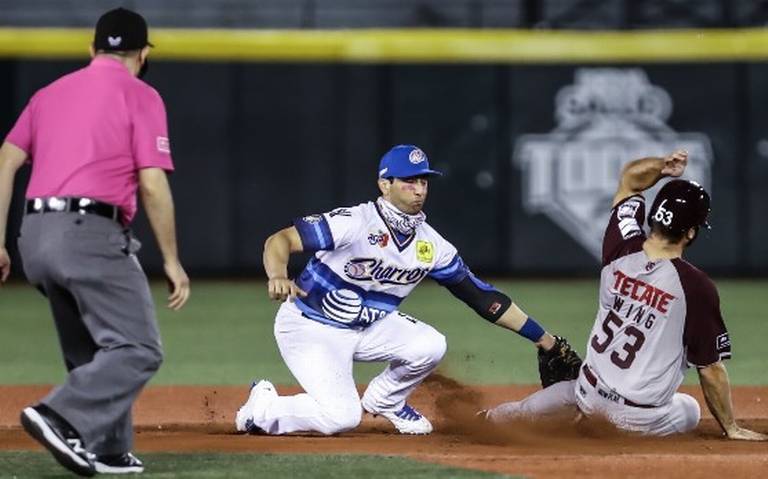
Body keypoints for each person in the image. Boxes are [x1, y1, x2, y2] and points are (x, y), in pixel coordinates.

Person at [234, 144, 580, 436]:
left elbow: (482, 297)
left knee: (430, 345)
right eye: (409, 181)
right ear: (385, 185)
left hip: (369, 326)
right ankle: (264, 407)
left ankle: (385, 400)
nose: (419, 189)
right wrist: (277, 273)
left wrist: (544, 339)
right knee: (341, 417)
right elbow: (278, 240)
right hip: (312, 327)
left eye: (424, 181)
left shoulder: (431, 245)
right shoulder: (355, 222)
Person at [0, 7, 190, 476]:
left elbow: (5, 159)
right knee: (138, 348)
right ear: (143, 54)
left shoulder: (49, 93)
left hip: (35, 237)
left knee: (92, 352)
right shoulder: (141, 94)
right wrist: (171, 259)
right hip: (89, 233)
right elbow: (152, 184)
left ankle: (107, 447)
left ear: (92, 50)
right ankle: (58, 415)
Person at [484, 149, 767, 440]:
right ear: (691, 233)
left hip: (587, 394)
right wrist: (730, 427)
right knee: (690, 408)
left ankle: (487, 420)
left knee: (520, 412)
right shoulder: (696, 287)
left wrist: (663, 166)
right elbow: (710, 370)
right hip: (636, 420)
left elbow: (630, 180)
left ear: (656, 215)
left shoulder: (621, 244)